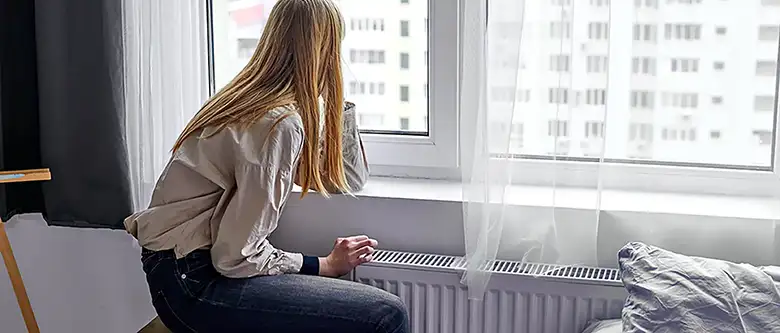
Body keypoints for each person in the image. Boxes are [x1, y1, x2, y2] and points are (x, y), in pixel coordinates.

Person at [124, 0, 409, 332]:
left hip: (179, 271)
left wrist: (334, 97)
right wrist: (324, 265)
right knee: (387, 315)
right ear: (326, 52)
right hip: (192, 282)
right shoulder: (276, 124)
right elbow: (234, 258)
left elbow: (348, 176)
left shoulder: (253, 103)